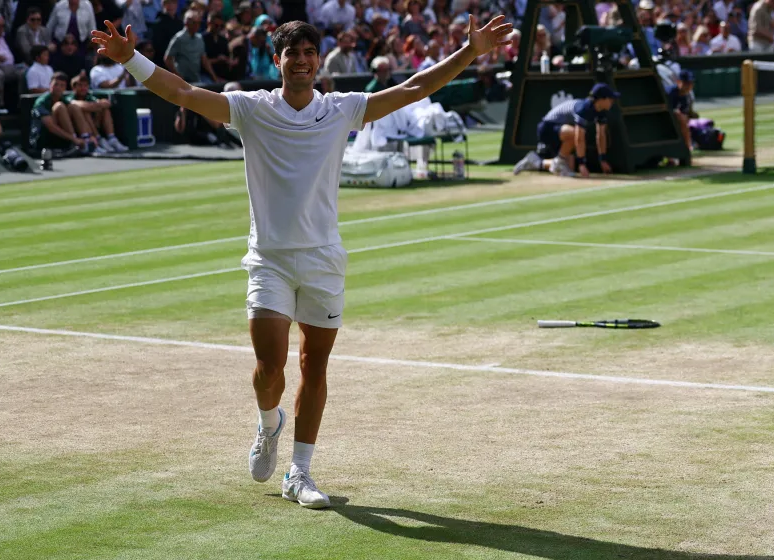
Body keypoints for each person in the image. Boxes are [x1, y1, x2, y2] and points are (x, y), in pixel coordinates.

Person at [91, 14, 512, 509]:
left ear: (318, 62)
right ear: (278, 60)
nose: (303, 61)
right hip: (268, 260)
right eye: (293, 53)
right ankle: (269, 422)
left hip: (323, 261)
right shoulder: (251, 108)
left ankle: (300, 471)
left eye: (310, 53)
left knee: (315, 366)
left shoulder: (341, 108)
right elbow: (182, 92)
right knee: (269, 367)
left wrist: (469, 52)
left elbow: (415, 88)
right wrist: (131, 59)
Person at [512, 83, 618, 178]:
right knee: (576, 134)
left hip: (563, 132)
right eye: (611, 99)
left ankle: (535, 162)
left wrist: (603, 160)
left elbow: (601, 135)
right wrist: (582, 164)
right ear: (601, 99)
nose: (613, 101)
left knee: (569, 168)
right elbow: (579, 138)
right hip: (547, 129)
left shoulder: (601, 111)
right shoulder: (584, 109)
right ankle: (558, 161)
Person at [64, 73, 129, 152]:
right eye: (80, 85)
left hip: (94, 124)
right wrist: (95, 105)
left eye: (85, 85)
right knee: (86, 111)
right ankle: (96, 140)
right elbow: (82, 105)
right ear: (74, 87)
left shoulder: (89, 96)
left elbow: (106, 103)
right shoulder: (69, 98)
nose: (83, 88)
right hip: (77, 129)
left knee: (105, 110)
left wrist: (95, 105)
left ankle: (111, 138)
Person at [28, 71, 88, 154]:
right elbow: (51, 127)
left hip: (61, 137)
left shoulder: (63, 99)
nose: (58, 88)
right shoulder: (41, 102)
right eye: (56, 84)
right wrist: (74, 139)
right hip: (42, 138)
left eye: (62, 85)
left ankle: (87, 139)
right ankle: (74, 142)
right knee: (60, 106)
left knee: (74, 107)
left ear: (65, 88)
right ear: (50, 85)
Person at [165, 10, 220, 83]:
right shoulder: (179, 38)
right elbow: (168, 59)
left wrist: (214, 77)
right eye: (194, 22)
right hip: (182, 81)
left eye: (199, 23)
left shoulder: (199, 38)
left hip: (196, 79)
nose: (197, 25)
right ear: (186, 23)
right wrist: (178, 76)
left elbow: (204, 60)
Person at [665, 69, 695, 158]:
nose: (689, 86)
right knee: (681, 118)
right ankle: (687, 147)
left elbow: (685, 112)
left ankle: (686, 147)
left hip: (675, 121)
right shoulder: (670, 92)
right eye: (686, 83)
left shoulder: (685, 95)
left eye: (691, 83)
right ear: (679, 82)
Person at [0, 12, 17, 109]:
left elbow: (16, 51)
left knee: (24, 72)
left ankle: (20, 103)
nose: (1, 29)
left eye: (2, 26)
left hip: (11, 66)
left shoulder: (7, 36)